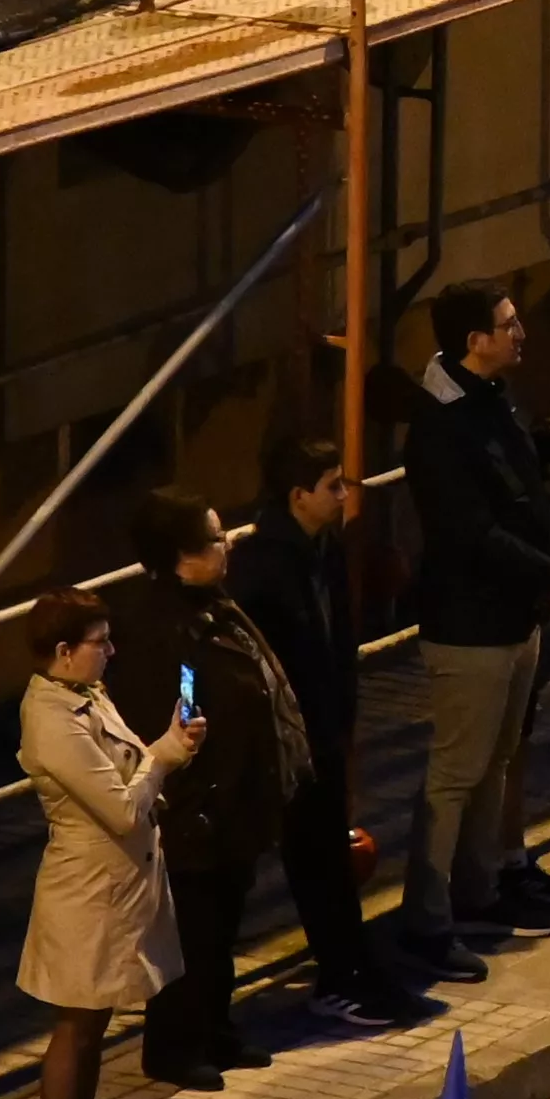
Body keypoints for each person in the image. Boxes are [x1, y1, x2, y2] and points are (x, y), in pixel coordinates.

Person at [400, 280, 550, 976]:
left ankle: (479, 889)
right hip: (470, 626)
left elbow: (518, 494)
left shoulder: (492, 400)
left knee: (495, 759)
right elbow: (470, 532)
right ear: (475, 341)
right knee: (454, 773)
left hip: (514, 615)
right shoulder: (442, 427)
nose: (520, 332)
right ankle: (426, 921)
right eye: (507, 324)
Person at [17, 586, 197, 1099]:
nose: (111, 651)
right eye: (101, 642)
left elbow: (127, 770)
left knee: (93, 1029)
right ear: (65, 651)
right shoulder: (50, 717)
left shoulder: (84, 694)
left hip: (114, 887)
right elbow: (120, 808)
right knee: (75, 1028)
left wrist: (166, 746)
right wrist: (164, 757)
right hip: (85, 893)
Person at [225, 436, 419, 1029]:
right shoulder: (263, 567)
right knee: (309, 862)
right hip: (287, 742)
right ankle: (338, 979)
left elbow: (337, 644)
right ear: (297, 495)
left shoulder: (323, 548)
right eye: (332, 486)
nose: (343, 495)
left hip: (324, 732)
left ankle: (351, 970)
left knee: (328, 859)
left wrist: (340, 722)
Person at [104, 496, 297, 1090]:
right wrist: (190, 798)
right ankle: (173, 1046)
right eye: (215, 539)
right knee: (189, 930)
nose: (227, 544)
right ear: (181, 555)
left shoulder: (214, 605)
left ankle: (215, 1028)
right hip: (194, 805)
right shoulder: (160, 628)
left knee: (223, 925)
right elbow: (163, 718)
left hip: (233, 796)